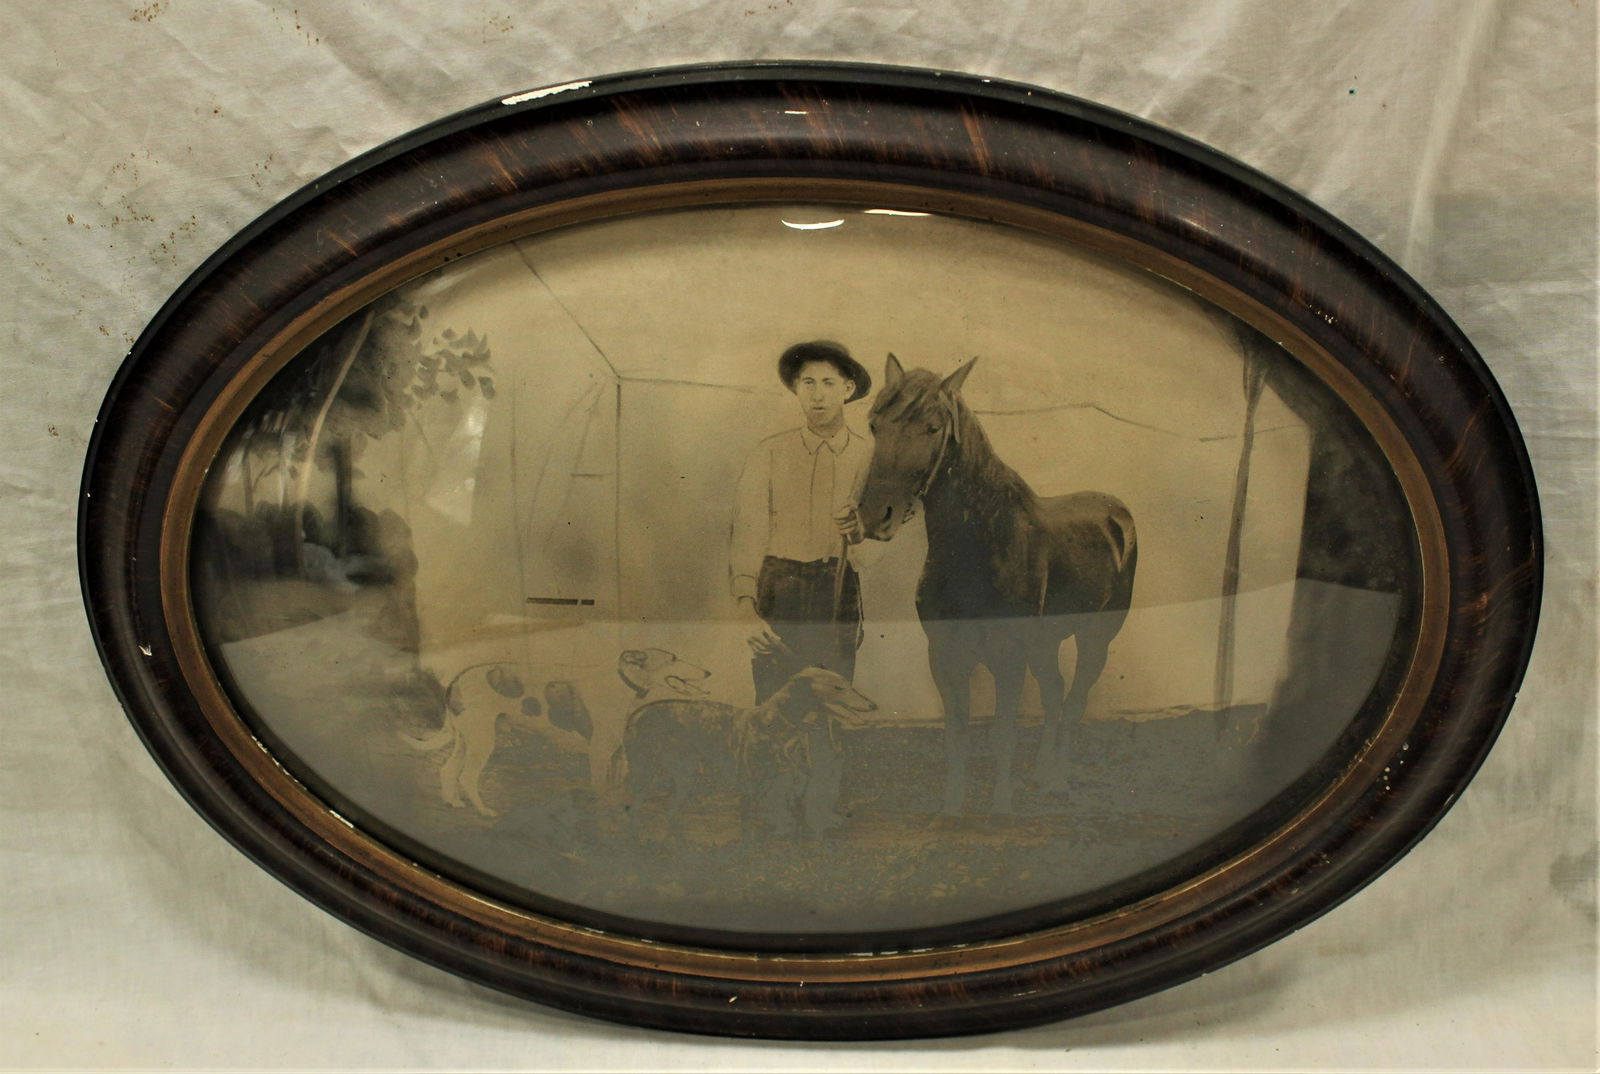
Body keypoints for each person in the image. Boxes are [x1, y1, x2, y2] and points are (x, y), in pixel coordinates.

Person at [729, 341, 874, 836]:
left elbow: (880, 545)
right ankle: (773, 807)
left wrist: (859, 533)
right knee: (775, 704)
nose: (817, 395)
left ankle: (821, 806)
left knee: (831, 700)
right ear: (795, 389)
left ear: (849, 389)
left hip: (837, 590)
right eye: (807, 383)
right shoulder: (770, 452)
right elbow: (748, 529)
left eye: (829, 383)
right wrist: (748, 604)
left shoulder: (870, 456)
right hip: (780, 588)